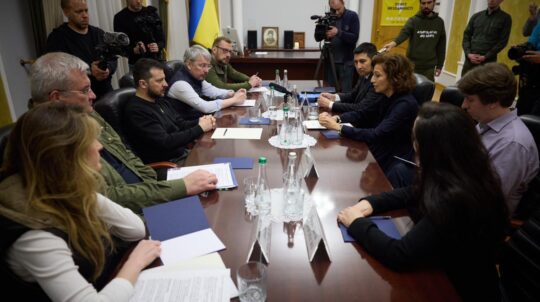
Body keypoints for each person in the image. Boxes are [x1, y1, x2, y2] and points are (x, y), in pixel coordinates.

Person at [338, 102, 509, 301]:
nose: (414, 145)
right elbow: (414, 192)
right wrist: (372, 202)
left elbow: (399, 255)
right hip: (448, 272)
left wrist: (357, 222)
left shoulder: (455, 200)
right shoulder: (467, 172)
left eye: (416, 139)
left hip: (456, 290)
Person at [0, 102, 161, 301]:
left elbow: (135, 229)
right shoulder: (32, 232)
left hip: (106, 281)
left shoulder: (58, 187)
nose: (99, 146)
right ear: (65, 159)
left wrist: (83, 191)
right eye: (90, 141)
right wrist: (135, 263)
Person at [29, 52, 217, 214]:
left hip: (147, 194)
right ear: (56, 98)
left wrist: (154, 184)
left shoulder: (89, 113)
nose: (93, 96)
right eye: (85, 90)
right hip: (132, 213)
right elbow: (109, 198)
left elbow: (127, 154)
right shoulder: (51, 140)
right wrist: (177, 187)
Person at [319, 53, 418, 188]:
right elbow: (363, 114)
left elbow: (377, 134)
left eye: (377, 75)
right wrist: (337, 118)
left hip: (393, 161)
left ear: (394, 78)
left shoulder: (404, 105)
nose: (372, 80)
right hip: (379, 152)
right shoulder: (386, 95)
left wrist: (338, 127)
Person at [458, 62, 539, 215]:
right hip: (462, 200)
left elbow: (485, 200)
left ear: (493, 102)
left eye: (470, 99)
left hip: (479, 221)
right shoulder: (485, 123)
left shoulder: (512, 144)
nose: (464, 105)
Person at [124, 58, 216, 164]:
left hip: (183, 154)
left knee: (217, 155)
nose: (166, 84)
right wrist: (200, 128)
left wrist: (202, 121)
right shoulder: (136, 111)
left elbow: (180, 124)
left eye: (164, 79)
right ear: (143, 84)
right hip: (169, 163)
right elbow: (166, 142)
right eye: (159, 81)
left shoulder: (159, 99)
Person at [46, 0, 117, 100]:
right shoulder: (58, 38)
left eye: (86, 10)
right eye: (79, 12)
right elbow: (57, 70)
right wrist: (89, 70)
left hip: (107, 95)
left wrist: (107, 69)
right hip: (79, 99)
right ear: (66, 12)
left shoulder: (99, 33)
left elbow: (113, 58)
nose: (85, 15)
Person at [167, 45, 247, 120]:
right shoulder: (180, 84)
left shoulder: (196, 77)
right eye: (202, 65)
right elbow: (205, 107)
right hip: (184, 128)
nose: (206, 71)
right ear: (189, 64)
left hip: (198, 121)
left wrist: (231, 94)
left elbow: (214, 91)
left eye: (208, 66)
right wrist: (234, 100)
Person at [382, 0, 446, 81]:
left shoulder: (439, 22)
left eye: (429, 3)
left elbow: (441, 46)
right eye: (423, 3)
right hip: (412, 65)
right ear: (420, 4)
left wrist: (440, 66)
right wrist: (393, 43)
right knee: (409, 90)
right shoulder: (413, 20)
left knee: (427, 91)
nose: (426, 6)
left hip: (429, 67)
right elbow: (404, 32)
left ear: (434, 2)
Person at [317, 42, 385, 113]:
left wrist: (330, 104)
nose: (358, 66)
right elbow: (353, 95)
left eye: (362, 61)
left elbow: (361, 107)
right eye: (356, 62)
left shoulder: (377, 80)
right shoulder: (364, 74)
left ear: (373, 60)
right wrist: (334, 97)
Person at [461, 0, 512, 76]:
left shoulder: (505, 18)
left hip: (488, 63)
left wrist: (486, 56)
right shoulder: (476, 16)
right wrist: (468, 54)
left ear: (501, 1)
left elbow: (502, 41)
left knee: (484, 86)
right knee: (464, 86)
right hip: (470, 62)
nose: (491, 0)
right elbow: (466, 36)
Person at [114, 0, 166, 66]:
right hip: (136, 64)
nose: (138, 1)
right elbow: (119, 46)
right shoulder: (120, 17)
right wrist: (133, 50)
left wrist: (158, 46)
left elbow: (162, 39)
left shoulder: (151, 13)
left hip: (156, 60)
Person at [325, 0, 360, 93]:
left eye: (338, 9)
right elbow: (317, 38)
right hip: (330, 61)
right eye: (333, 9)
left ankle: (344, 107)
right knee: (329, 91)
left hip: (346, 62)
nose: (336, 12)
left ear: (343, 3)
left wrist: (338, 33)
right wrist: (322, 33)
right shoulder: (329, 18)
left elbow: (354, 38)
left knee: (346, 92)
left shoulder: (352, 16)